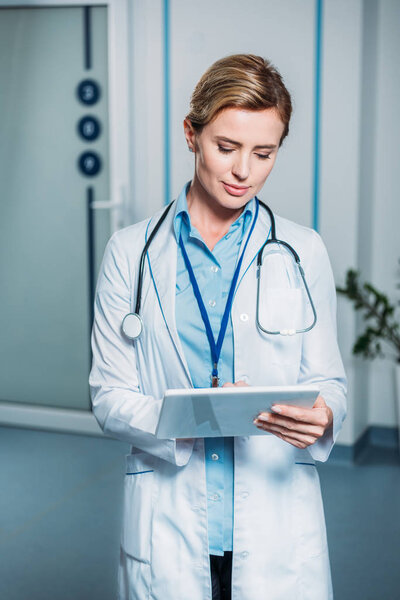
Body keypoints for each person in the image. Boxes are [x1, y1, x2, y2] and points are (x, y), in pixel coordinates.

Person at [89, 54, 347, 600]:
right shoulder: (130, 252)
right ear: (191, 134)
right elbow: (108, 396)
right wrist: (188, 416)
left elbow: (330, 385)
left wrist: (323, 417)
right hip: (171, 522)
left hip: (277, 529)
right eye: (226, 147)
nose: (243, 171)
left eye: (264, 153)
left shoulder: (303, 250)